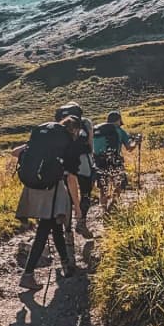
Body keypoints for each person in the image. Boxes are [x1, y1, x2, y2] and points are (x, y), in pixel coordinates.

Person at [14, 114, 84, 291]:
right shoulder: (68, 143)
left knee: (54, 225)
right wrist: (77, 206)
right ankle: (28, 274)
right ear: (75, 130)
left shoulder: (43, 136)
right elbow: (71, 178)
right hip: (51, 188)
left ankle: (66, 264)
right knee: (44, 229)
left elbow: (15, 152)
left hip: (34, 185)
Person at [55, 102, 97, 238]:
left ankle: (67, 230)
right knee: (85, 193)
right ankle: (81, 222)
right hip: (84, 161)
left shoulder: (60, 124)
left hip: (66, 162)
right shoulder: (86, 123)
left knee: (68, 196)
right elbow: (90, 143)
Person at [94, 110, 141, 213]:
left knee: (103, 187)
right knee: (120, 184)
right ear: (118, 120)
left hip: (99, 161)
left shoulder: (98, 130)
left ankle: (103, 209)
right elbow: (129, 147)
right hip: (115, 161)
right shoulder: (119, 131)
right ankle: (113, 204)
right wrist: (137, 141)